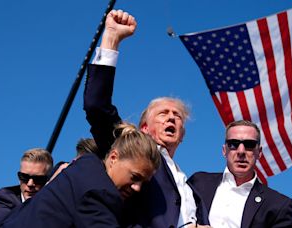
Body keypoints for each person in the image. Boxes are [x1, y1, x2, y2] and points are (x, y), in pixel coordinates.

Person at [84, 9, 210, 228]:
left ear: (182, 135)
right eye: (163, 113)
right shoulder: (131, 150)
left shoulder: (189, 187)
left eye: (177, 116)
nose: (171, 118)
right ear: (144, 127)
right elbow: (96, 106)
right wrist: (111, 39)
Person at [1, 123, 161, 228]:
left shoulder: (85, 165)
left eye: (143, 182)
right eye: (134, 177)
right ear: (113, 157)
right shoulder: (99, 193)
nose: (137, 188)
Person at [188, 120, 292, 228]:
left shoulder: (278, 205)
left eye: (249, 145)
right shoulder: (198, 182)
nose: (241, 151)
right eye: (233, 144)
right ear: (224, 150)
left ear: (259, 152)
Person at [0, 148, 53, 228]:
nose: (30, 184)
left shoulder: (55, 204)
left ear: (48, 180)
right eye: (24, 177)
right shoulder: (3, 199)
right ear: (19, 178)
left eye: (38, 179)